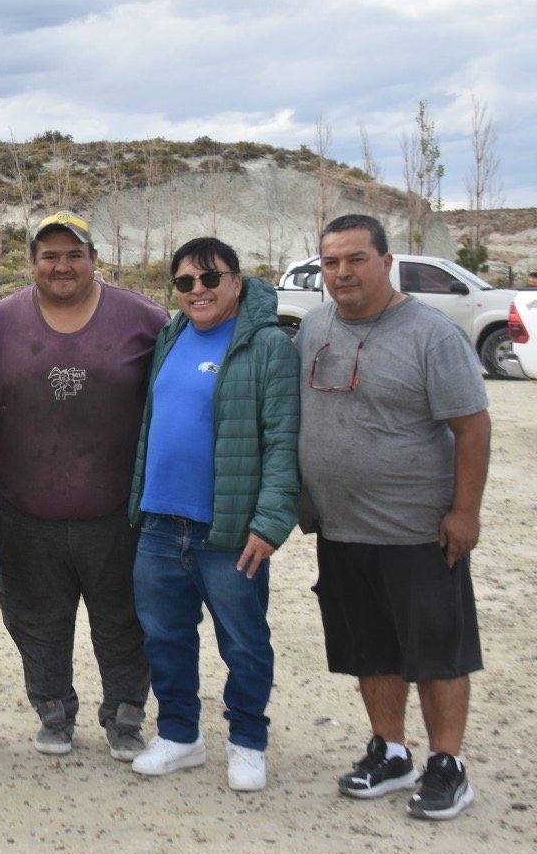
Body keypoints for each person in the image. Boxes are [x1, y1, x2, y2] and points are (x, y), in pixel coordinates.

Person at [300, 214, 489, 821]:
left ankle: (447, 764)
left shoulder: (431, 334)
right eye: (331, 262)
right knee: (370, 648)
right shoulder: (312, 327)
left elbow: (472, 426)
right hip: (341, 526)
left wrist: (465, 512)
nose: (342, 273)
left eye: (356, 259)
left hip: (417, 529)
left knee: (437, 651)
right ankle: (391, 750)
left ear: (386, 261)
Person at [0, 212, 167, 761]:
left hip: (118, 510)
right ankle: (54, 712)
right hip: (25, 506)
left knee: (124, 618)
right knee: (36, 617)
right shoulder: (0, 321)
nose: (62, 265)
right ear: (32, 262)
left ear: (94, 259)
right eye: (49, 255)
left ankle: (126, 717)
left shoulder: (145, 319)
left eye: (74, 254)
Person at [126, 238, 299, 792]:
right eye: (184, 282)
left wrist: (270, 523)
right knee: (165, 638)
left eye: (209, 278)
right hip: (159, 522)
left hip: (228, 531)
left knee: (244, 642)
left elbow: (283, 442)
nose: (197, 291)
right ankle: (180, 736)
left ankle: (248, 741)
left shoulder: (269, 346)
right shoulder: (171, 335)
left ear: (237, 281)